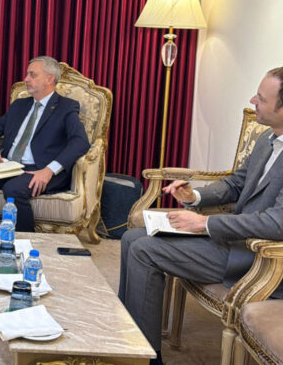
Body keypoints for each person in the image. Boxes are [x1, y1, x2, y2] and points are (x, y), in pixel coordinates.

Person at [119, 67, 283, 365]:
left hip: (259, 259)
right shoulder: (267, 139)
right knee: (131, 238)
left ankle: (147, 358)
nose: (252, 101)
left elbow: (276, 223)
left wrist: (205, 223)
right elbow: (236, 183)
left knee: (144, 250)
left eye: (261, 98)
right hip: (232, 241)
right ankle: (127, 336)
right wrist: (194, 197)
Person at [0, 56, 90, 273]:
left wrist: (49, 170)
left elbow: (80, 142)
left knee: (13, 189)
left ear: (50, 79)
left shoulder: (66, 107)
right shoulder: (20, 105)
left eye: (33, 75)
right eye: (27, 74)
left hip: (40, 169)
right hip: (9, 166)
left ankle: (25, 247)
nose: (26, 79)